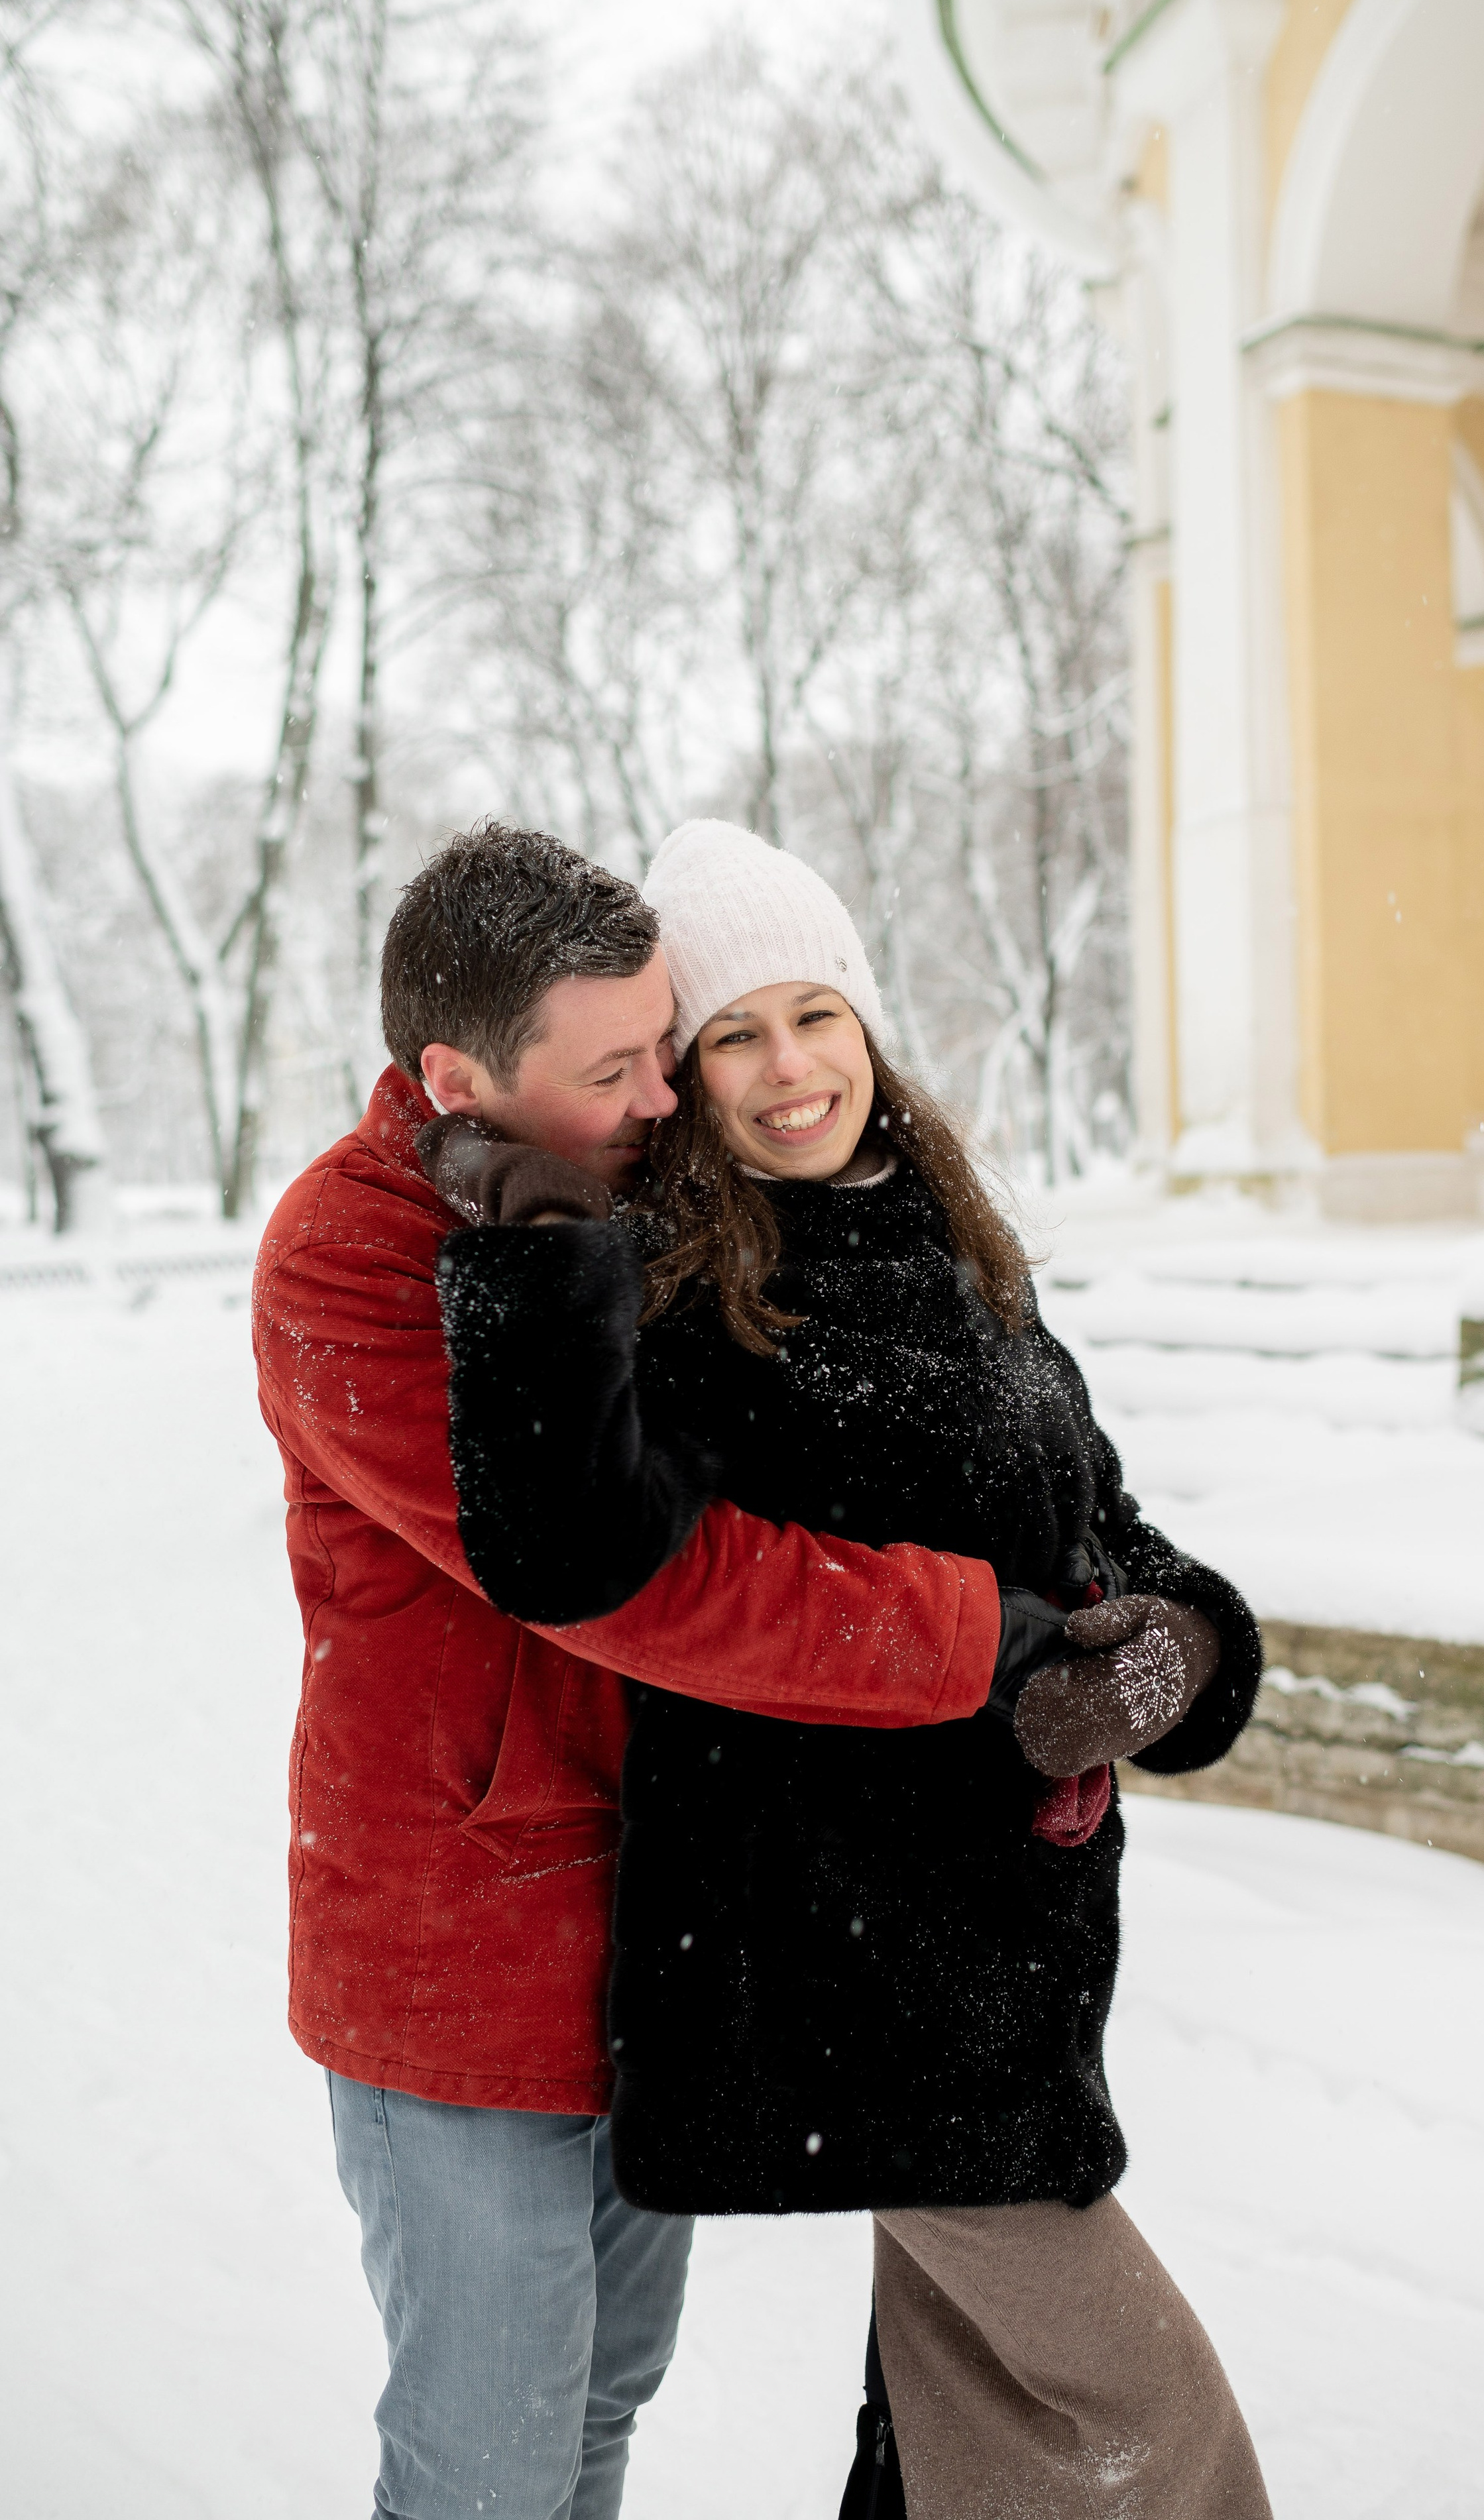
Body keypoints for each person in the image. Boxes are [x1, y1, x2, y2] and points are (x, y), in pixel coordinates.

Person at [252, 822, 1150, 2520]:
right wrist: (974, 1636)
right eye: (617, 1068)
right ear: (460, 1073)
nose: (667, 1097)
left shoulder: (616, 1181)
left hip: (647, 1927)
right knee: (490, 2456)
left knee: (599, 2407)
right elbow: (637, 1586)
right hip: (460, 1949)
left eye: (668, 1046)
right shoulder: (350, 1256)